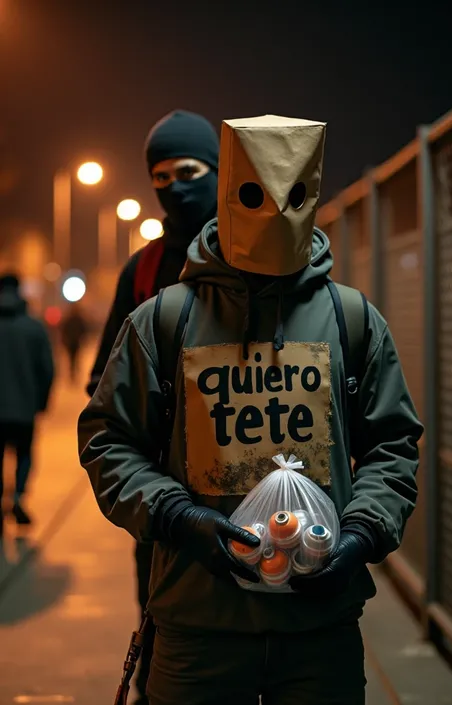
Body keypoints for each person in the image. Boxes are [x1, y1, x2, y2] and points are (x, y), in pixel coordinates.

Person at [78, 115, 423, 705]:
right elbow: (109, 439)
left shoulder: (351, 320)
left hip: (319, 629)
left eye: (292, 196)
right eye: (255, 195)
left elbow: (393, 446)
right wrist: (177, 517)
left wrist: (361, 534)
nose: (275, 212)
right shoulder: (165, 320)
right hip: (198, 626)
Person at [86, 109, 219, 704]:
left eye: (188, 170)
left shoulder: (262, 257)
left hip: (262, 484)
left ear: (218, 169)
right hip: (167, 496)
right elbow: (104, 384)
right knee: (162, 610)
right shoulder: (142, 269)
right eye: (159, 175)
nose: (172, 186)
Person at [0, 274, 54, 532]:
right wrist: (41, 401)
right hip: (23, 407)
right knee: (23, 455)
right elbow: (47, 368)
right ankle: (18, 497)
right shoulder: (33, 327)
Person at [60, 303, 88, 383]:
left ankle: (73, 373)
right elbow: (83, 330)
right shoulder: (79, 319)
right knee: (75, 358)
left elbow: (64, 330)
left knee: (72, 358)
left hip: (72, 341)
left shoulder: (70, 319)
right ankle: (74, 373)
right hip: (75, 341)